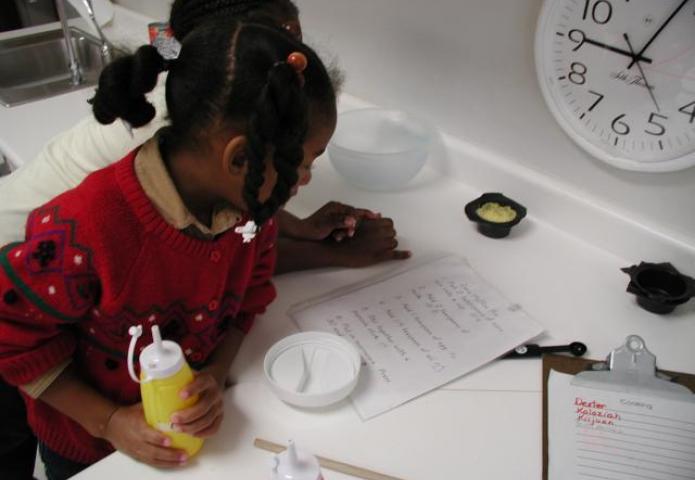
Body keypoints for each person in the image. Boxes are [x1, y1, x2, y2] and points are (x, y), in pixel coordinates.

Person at [0, 3, 409, 478]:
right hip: (91, 448)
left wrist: (214, 374)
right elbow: (12, 341)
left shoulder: (244, 211)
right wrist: (110, 422)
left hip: (185, 441)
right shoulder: (86, 230)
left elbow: (249, 296)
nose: (307, 179)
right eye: (304, 163)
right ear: (240, 160)